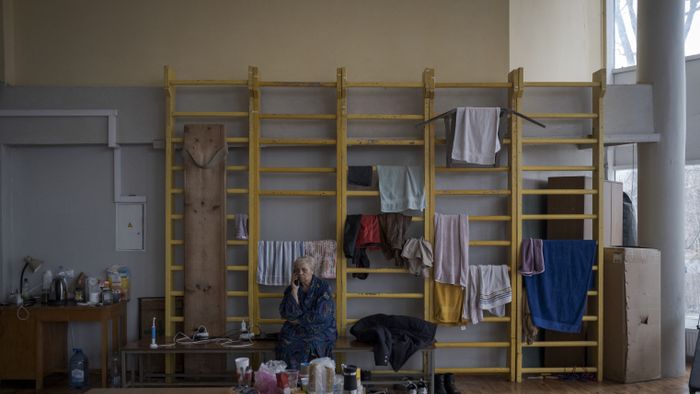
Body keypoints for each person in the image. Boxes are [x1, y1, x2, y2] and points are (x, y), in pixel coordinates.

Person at [276, 256, 337, 368]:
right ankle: (292, 378)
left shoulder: (323, 287)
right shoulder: (290, 289)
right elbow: (285, 313)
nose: (300, 273)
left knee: (308, 343)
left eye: (304, 270)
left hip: (321, 328)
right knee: (286, 340)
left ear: (312, 271)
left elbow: (321, 316)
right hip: (297, 328)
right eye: (297, 270)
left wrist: (297, 319)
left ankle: (311, 377)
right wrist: (294, 291)